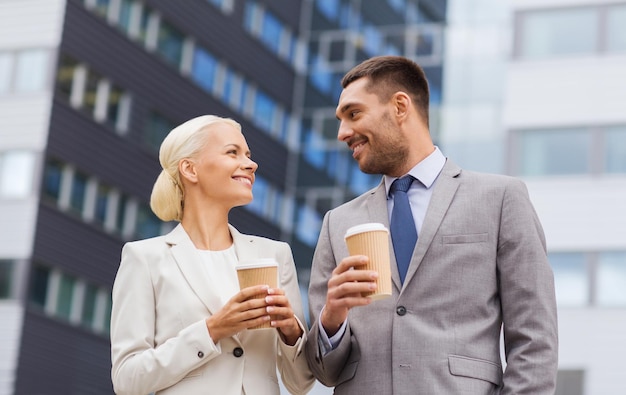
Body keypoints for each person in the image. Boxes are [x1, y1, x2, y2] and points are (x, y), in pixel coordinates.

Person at [305, 56, 558, 394]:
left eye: (353, 114)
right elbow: (325, 372)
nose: (342, 133)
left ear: (399, 106)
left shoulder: (500, 198)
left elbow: (534, 339)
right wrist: (331, 318)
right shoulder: (338, 223)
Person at [110, 115, 315, 395]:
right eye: (233, 152)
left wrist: (291, 330)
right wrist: (212, 329)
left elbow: (301, 383)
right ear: (190, 169)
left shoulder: (275, 254)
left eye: (249, 155)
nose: (251, 164)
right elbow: (127, 380)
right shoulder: (145, 258)